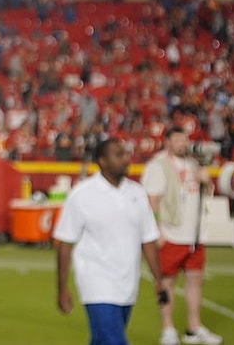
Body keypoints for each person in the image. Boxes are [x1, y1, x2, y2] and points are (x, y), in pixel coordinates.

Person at [54, 138, 162, 345]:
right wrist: (62, 288)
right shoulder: (82, 194)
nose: (126, 159)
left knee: (102, 340)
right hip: (96, 282)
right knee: (114, 341)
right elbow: (65, 243)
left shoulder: (137, 193)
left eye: (126, 154)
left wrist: (158, 280)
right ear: (102, 161)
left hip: (128, 284)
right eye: (118, 154)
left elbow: (148, 239)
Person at [141, 126, 223, 345]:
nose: (182, 144)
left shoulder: (194, 163)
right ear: (167, 141)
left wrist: (207, 181)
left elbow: (206, 193)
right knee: (166, 282)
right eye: (177, 139)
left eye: (184, 140)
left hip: (195, 234)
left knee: (195, 280)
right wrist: (156, 230)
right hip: (171, 232)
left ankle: (193, 327)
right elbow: (152, 199)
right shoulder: (158, 165)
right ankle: (167, 329)